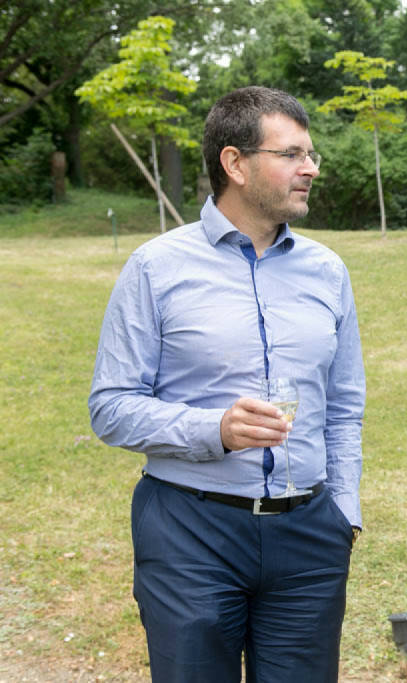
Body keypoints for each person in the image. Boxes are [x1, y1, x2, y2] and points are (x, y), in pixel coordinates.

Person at [89, 86, 365, 682]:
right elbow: (110, 407)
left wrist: (343, 510)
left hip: (310, 535)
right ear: (235, 164)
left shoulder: (328, 271)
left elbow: (344, 406)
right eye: (291, 154)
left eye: (310, 154)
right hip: (190, 533)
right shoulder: (155, 268)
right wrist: (212, 428)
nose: (310, 168)